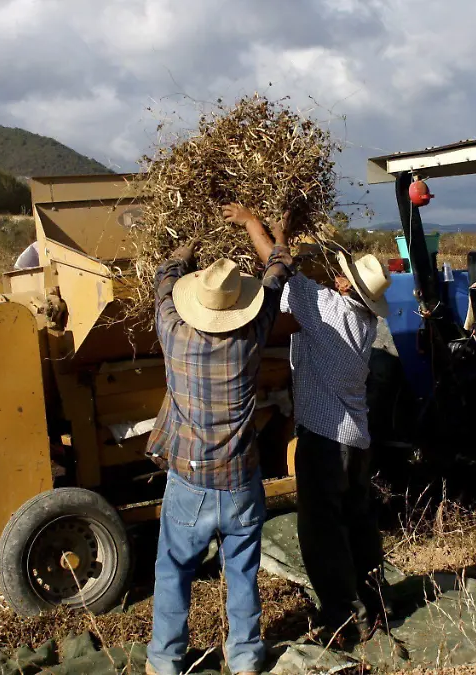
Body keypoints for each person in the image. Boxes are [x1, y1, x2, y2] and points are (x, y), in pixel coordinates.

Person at [145, 204, 293, 675]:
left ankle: (166, 660)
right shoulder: (250, 337)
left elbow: (164, 280)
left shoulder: (173, 333)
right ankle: (246, 656)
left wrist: (185, 252)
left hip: (188, 481)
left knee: (173, 570)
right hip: (240, 481)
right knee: (242, 570)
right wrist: (257, 224)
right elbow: (278, 271)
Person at [281, 246, 393, 644]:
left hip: (326, 440)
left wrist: (260, 229)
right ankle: (377, 601)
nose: (334, 277)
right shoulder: (364, 321)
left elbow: (281, 273)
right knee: (357, 523)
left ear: (346, 284)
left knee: (322, 534)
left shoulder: (328, 308)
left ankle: (348, 618)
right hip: (357, 442)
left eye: (340, 274)